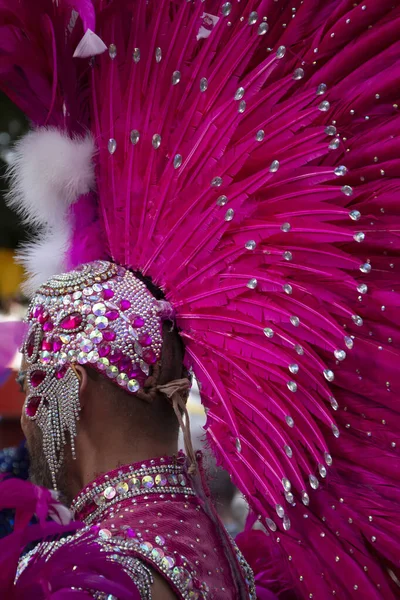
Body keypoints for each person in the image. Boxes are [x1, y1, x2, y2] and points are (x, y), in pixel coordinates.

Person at [0, 1, 399, 598]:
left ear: (75, 386)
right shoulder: (227, 561)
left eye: (34, 379)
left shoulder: (80, 577)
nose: (29, 413)